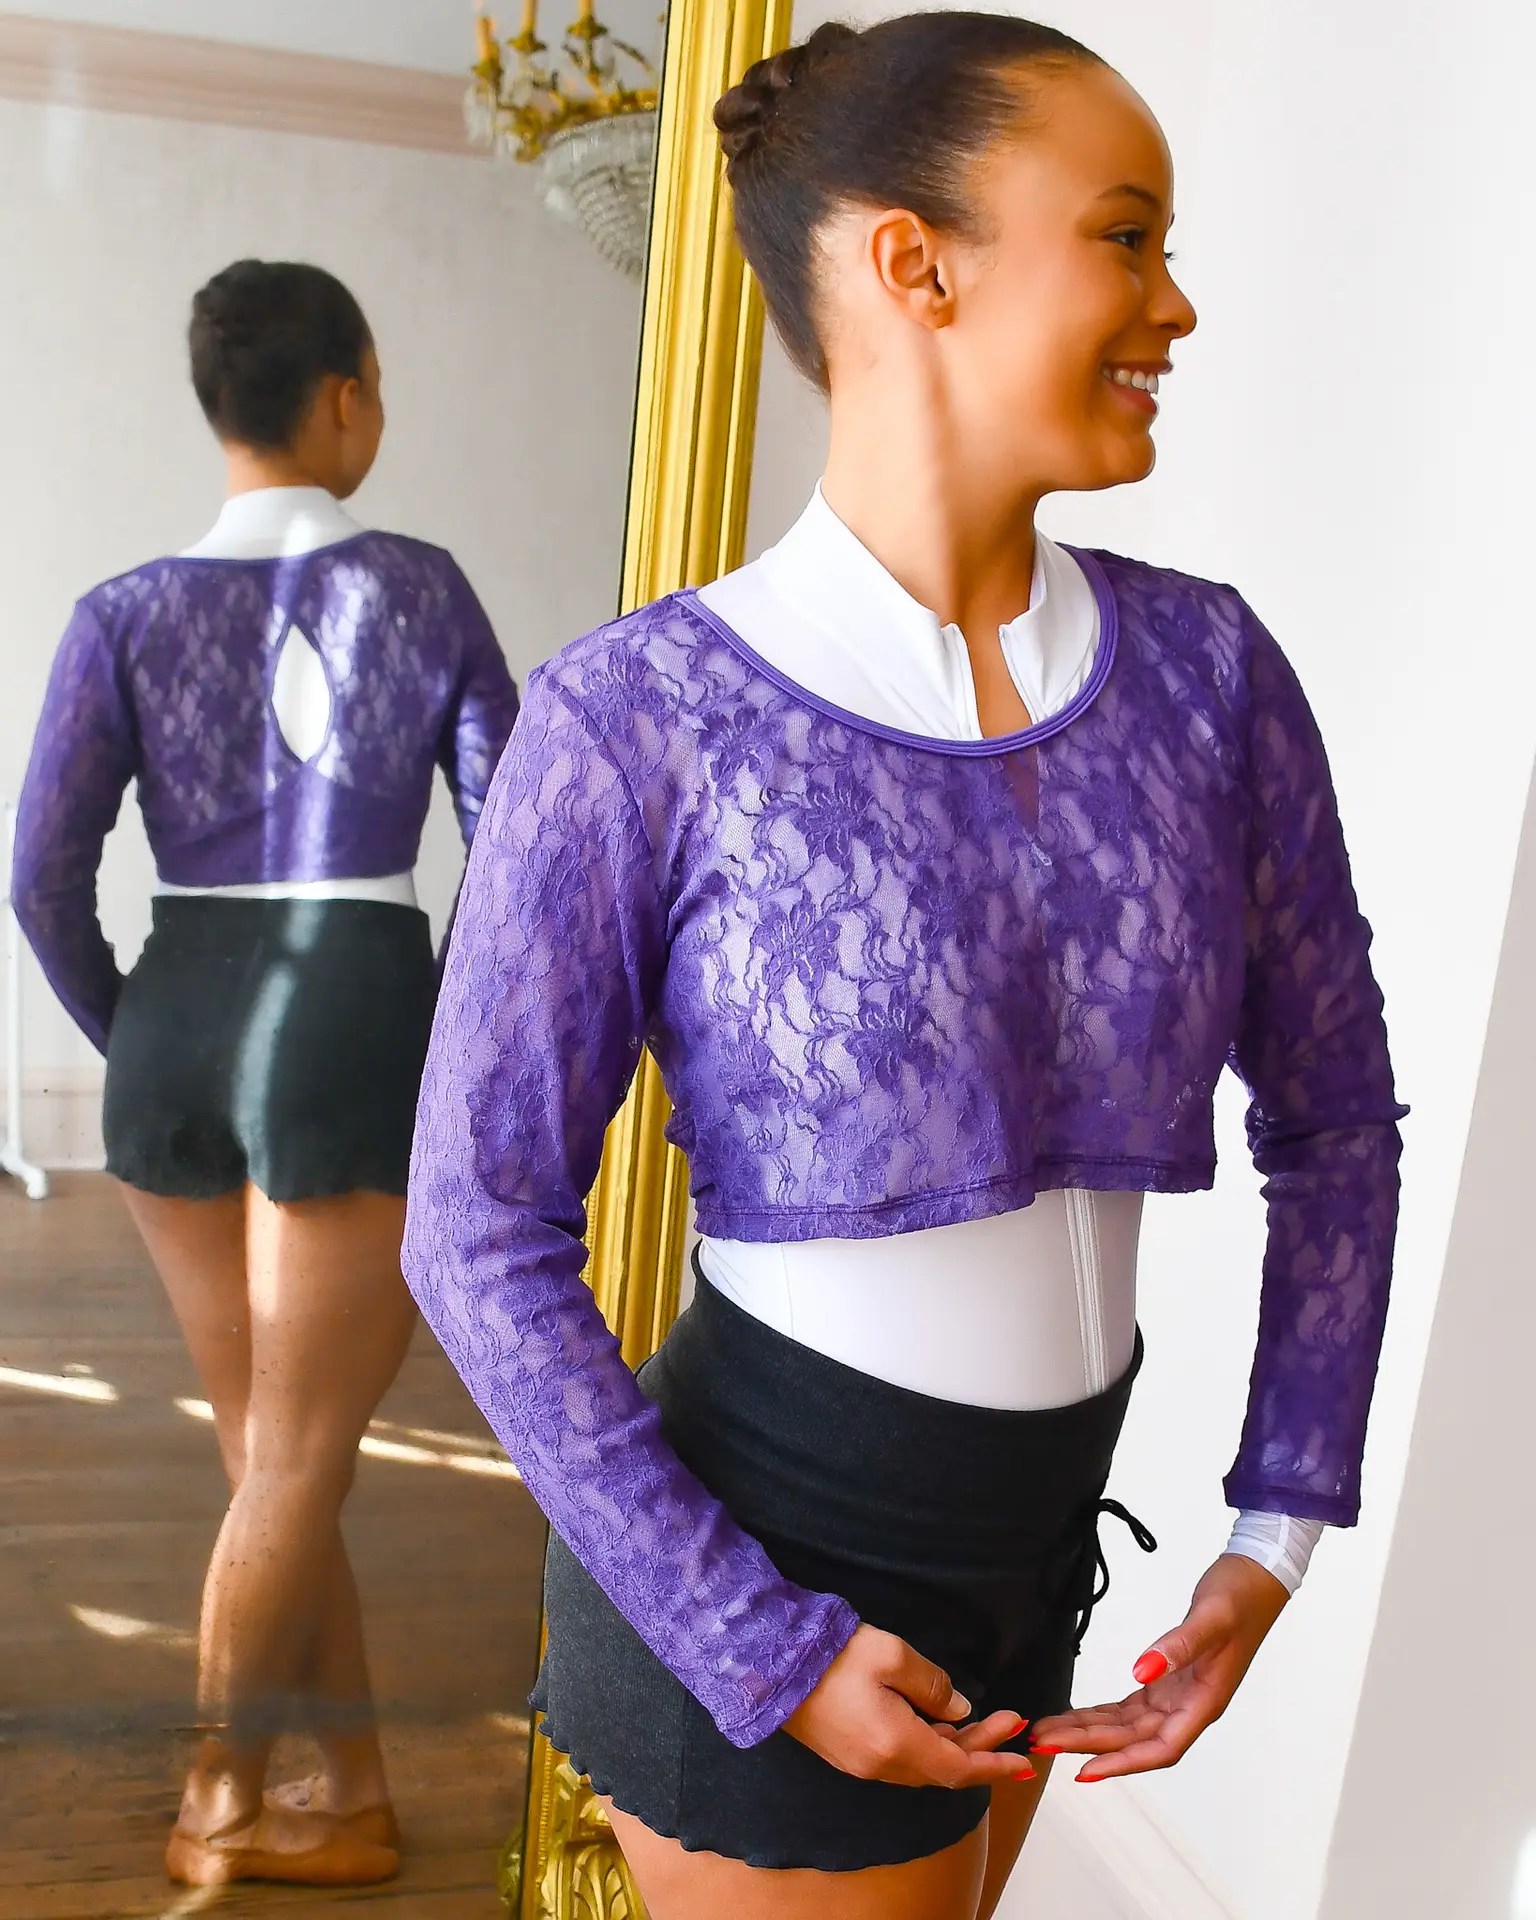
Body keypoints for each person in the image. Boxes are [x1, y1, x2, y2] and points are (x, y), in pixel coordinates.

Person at [402, 15, 1405, 1920]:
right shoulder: (637, 722)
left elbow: (1340, 1114)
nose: (1175, 304)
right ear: (913, 263)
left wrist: (1278, 1521)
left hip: (1040, 1564)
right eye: (1126, 237)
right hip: (758, 1579)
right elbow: (473, 1227)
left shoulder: (1212, 677)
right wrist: (758, 1642)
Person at [12, 258, 520, 1889]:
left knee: (268, 1458)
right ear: (347, 393)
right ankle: (219, 1790)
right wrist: (452, 1042)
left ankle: (352, 1794)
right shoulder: (422, 588)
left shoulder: (119, 612)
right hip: (352, 1018)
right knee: (297, 1463)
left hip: (175, 1012)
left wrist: (138, 1035)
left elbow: (38, 878)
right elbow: (509, 848)